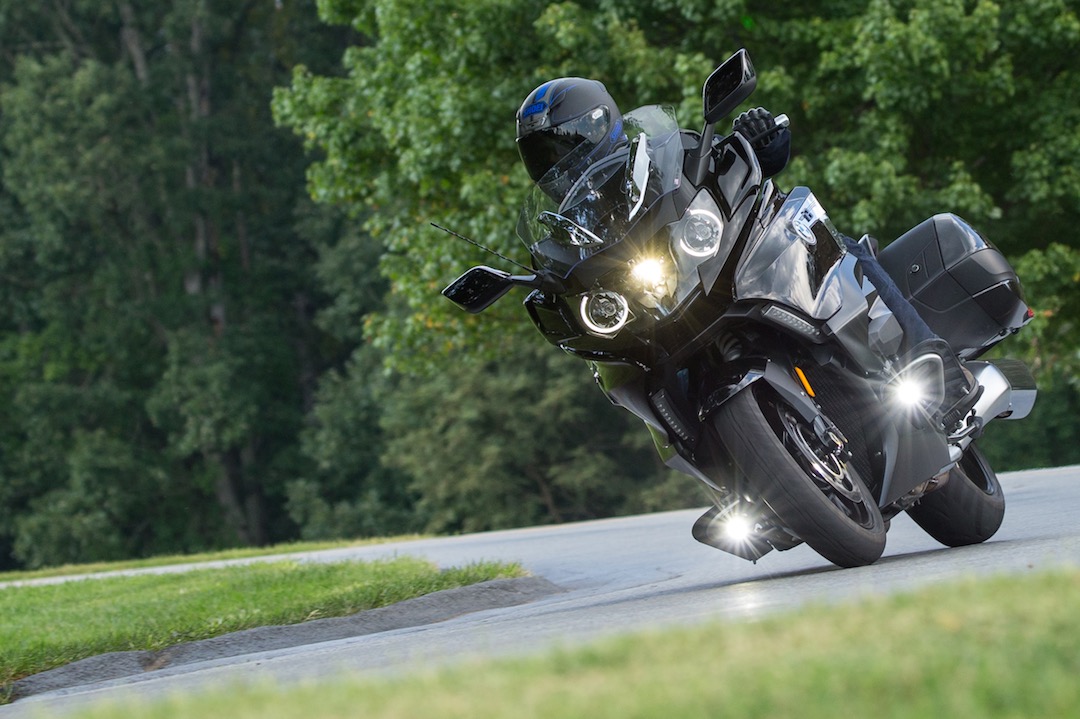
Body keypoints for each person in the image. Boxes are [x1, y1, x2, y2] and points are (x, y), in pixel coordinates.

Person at [515, 78, 980, 430]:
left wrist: (757, 138)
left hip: (722, 274)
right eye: (546, 156)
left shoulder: (659, 160)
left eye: (569, 143)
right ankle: (731, 480)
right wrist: (549, 288)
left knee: (833, 241)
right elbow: (567, 273)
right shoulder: (571, 230)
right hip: (663, 315)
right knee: (624, 371)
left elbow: (727, 164)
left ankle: (938, 363)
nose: (563, 162)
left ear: (603, 124)